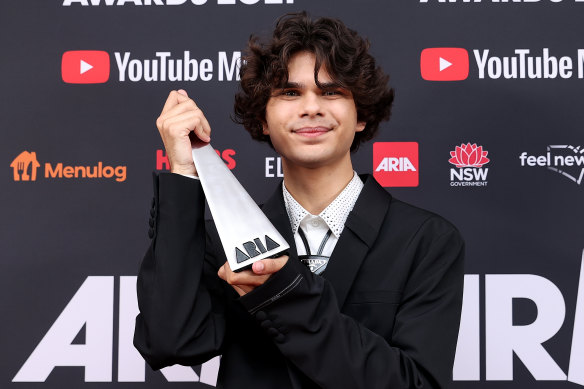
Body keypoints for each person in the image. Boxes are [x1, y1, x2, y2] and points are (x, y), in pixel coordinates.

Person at [134, 11, 464, 389]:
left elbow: (415, 384)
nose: (311, 107)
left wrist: (282, 290)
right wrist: (182, 172)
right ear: (262, 118)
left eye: (331, 91)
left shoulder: (426, 240)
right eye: (290, 92)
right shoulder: (225, 237)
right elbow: (169, 342)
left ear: (361, 115)